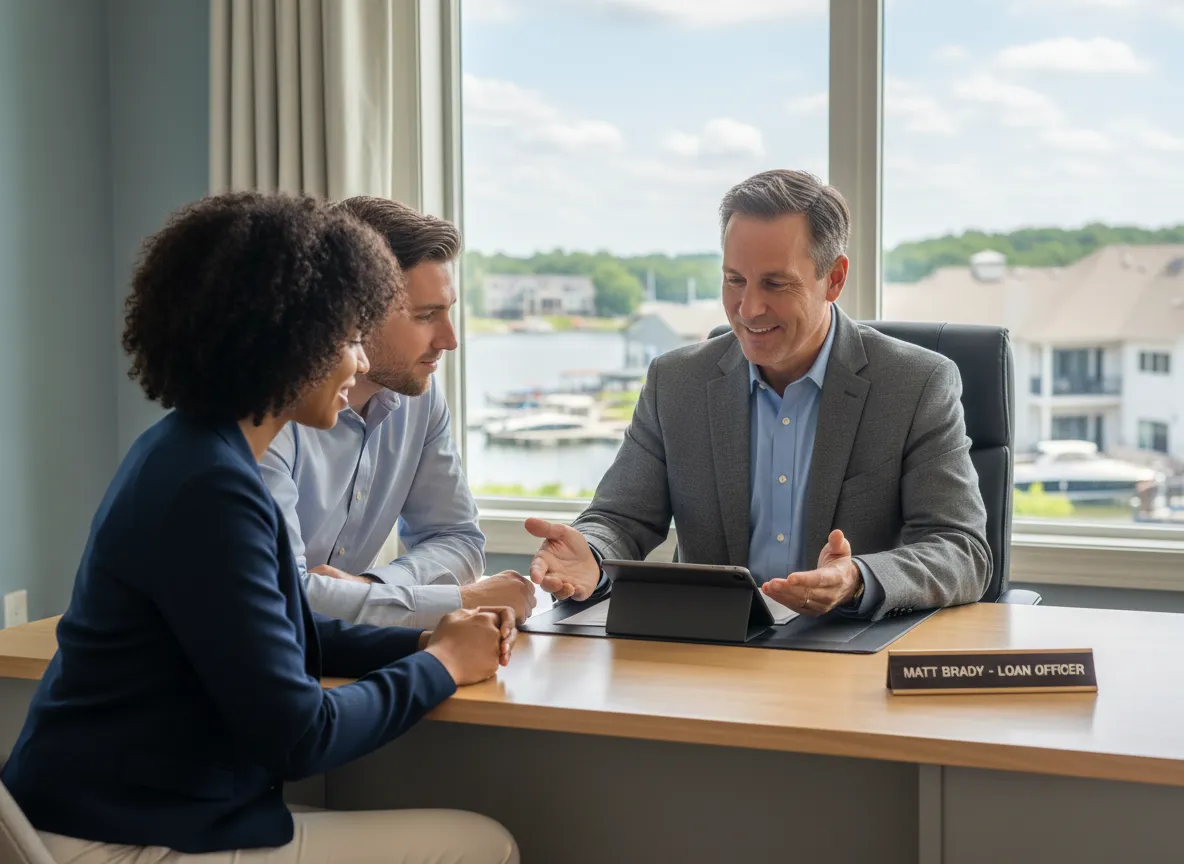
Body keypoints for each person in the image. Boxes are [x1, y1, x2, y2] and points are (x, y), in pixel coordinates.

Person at [0, 192, 519, 863]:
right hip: (118, 836)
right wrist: (443, 663)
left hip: (121, 808)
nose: (358, 363)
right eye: (345, 340)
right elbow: (301, 738)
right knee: (484, 846)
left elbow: (273, 635)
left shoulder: (192, 452)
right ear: (287, 342)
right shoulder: (212, 488)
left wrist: (423, 639)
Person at [525, 169, 990, 620]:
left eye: (775, 283)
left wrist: (858, 578)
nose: (748, 308)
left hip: (848, 649)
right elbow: (621, 517)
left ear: (834, 278)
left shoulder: (915, 384)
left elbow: (961, 549)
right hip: (712, 650)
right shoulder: (676, 382)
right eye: (735, 280)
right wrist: (591, 550)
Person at [260, 196, 536, 629]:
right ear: (350, 313)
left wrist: (372, 587)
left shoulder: (419, 394)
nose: (449, 340)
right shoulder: (265, 416)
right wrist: (457, 599)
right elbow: (284, 601)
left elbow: (457, 539)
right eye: (426, 316)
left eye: (448, 312)